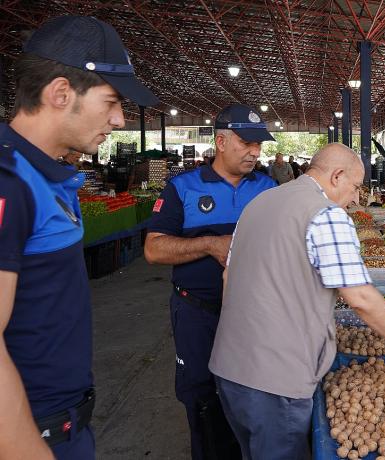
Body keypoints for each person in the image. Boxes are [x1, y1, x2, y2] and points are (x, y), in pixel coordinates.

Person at [209, 143, 385, 459]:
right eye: (356, 187)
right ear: (336, 176)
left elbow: (227, 280)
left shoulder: (259, 202)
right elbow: (359, 296)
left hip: (230, 368)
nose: (357, 198)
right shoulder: (326, 214)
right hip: (276, 381)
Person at [0, 15, 158, 459]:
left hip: (64, 427)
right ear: (59, 94)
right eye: (110, 101)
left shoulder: (42, 177)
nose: (120, 119)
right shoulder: (9, 183)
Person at [144, 104, 276, 459]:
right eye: (247, 143)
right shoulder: (181, 188)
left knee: (253, 392)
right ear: (220, 141)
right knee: (202, 396)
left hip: (253, 314)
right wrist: (208, 244)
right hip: (197, 314)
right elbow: (154, 250)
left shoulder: (268, 188)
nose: (255, 152)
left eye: (259, 145)